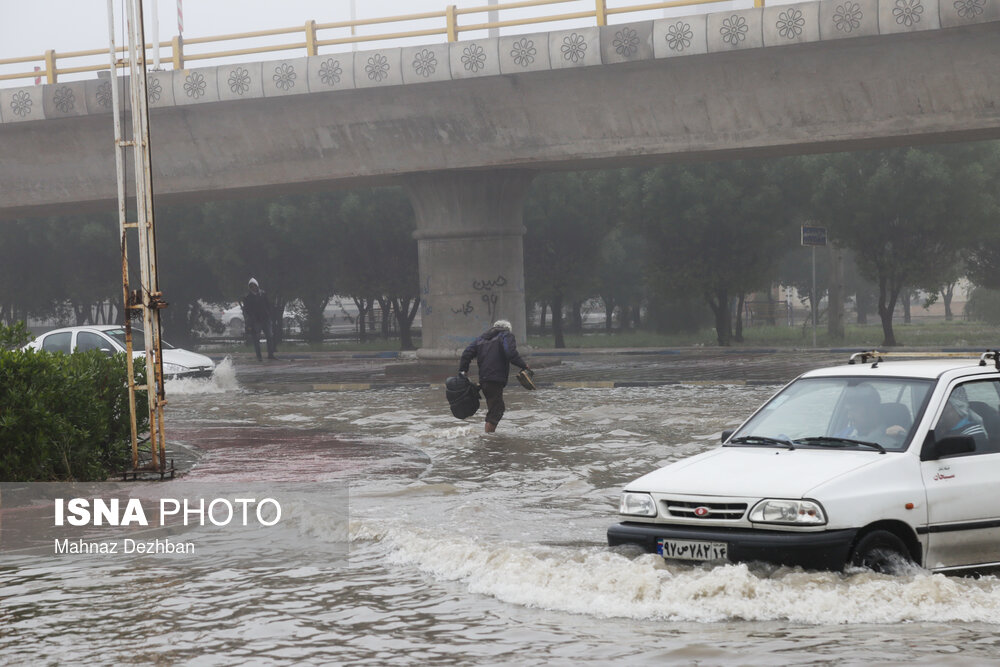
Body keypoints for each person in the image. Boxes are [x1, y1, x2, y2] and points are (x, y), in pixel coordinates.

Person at [458, 319, 530, 433]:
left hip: (484, 379)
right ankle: (488, 439)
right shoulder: (506, 335)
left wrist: (463, 371)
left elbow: (466, 353)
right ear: (507, 329)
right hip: (495, 379)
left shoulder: (481, 339)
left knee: (494, 408)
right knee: (497, 410)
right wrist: (523, 365)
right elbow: (510, 353)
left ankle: (489, 436)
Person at [840, 384, 906, 445]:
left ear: (872, 410)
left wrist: (902, 436)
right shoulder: (843, 435)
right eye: (848, 411)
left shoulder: (893, 440)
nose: (849, 416)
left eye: (854, 410)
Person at [242, 277, 276, 361]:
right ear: (249, 288)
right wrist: (250, 319)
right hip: (255, 321)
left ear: (257, 286)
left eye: (254, 286)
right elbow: (246, 310)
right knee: (256, 339)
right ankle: (259, 356)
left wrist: (268, 314)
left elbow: (268, 304)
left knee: (270, 336)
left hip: (265, 319)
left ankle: (271, 354)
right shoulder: (247, 297)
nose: (253, 287)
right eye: (251, 286)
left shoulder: (263, 294)